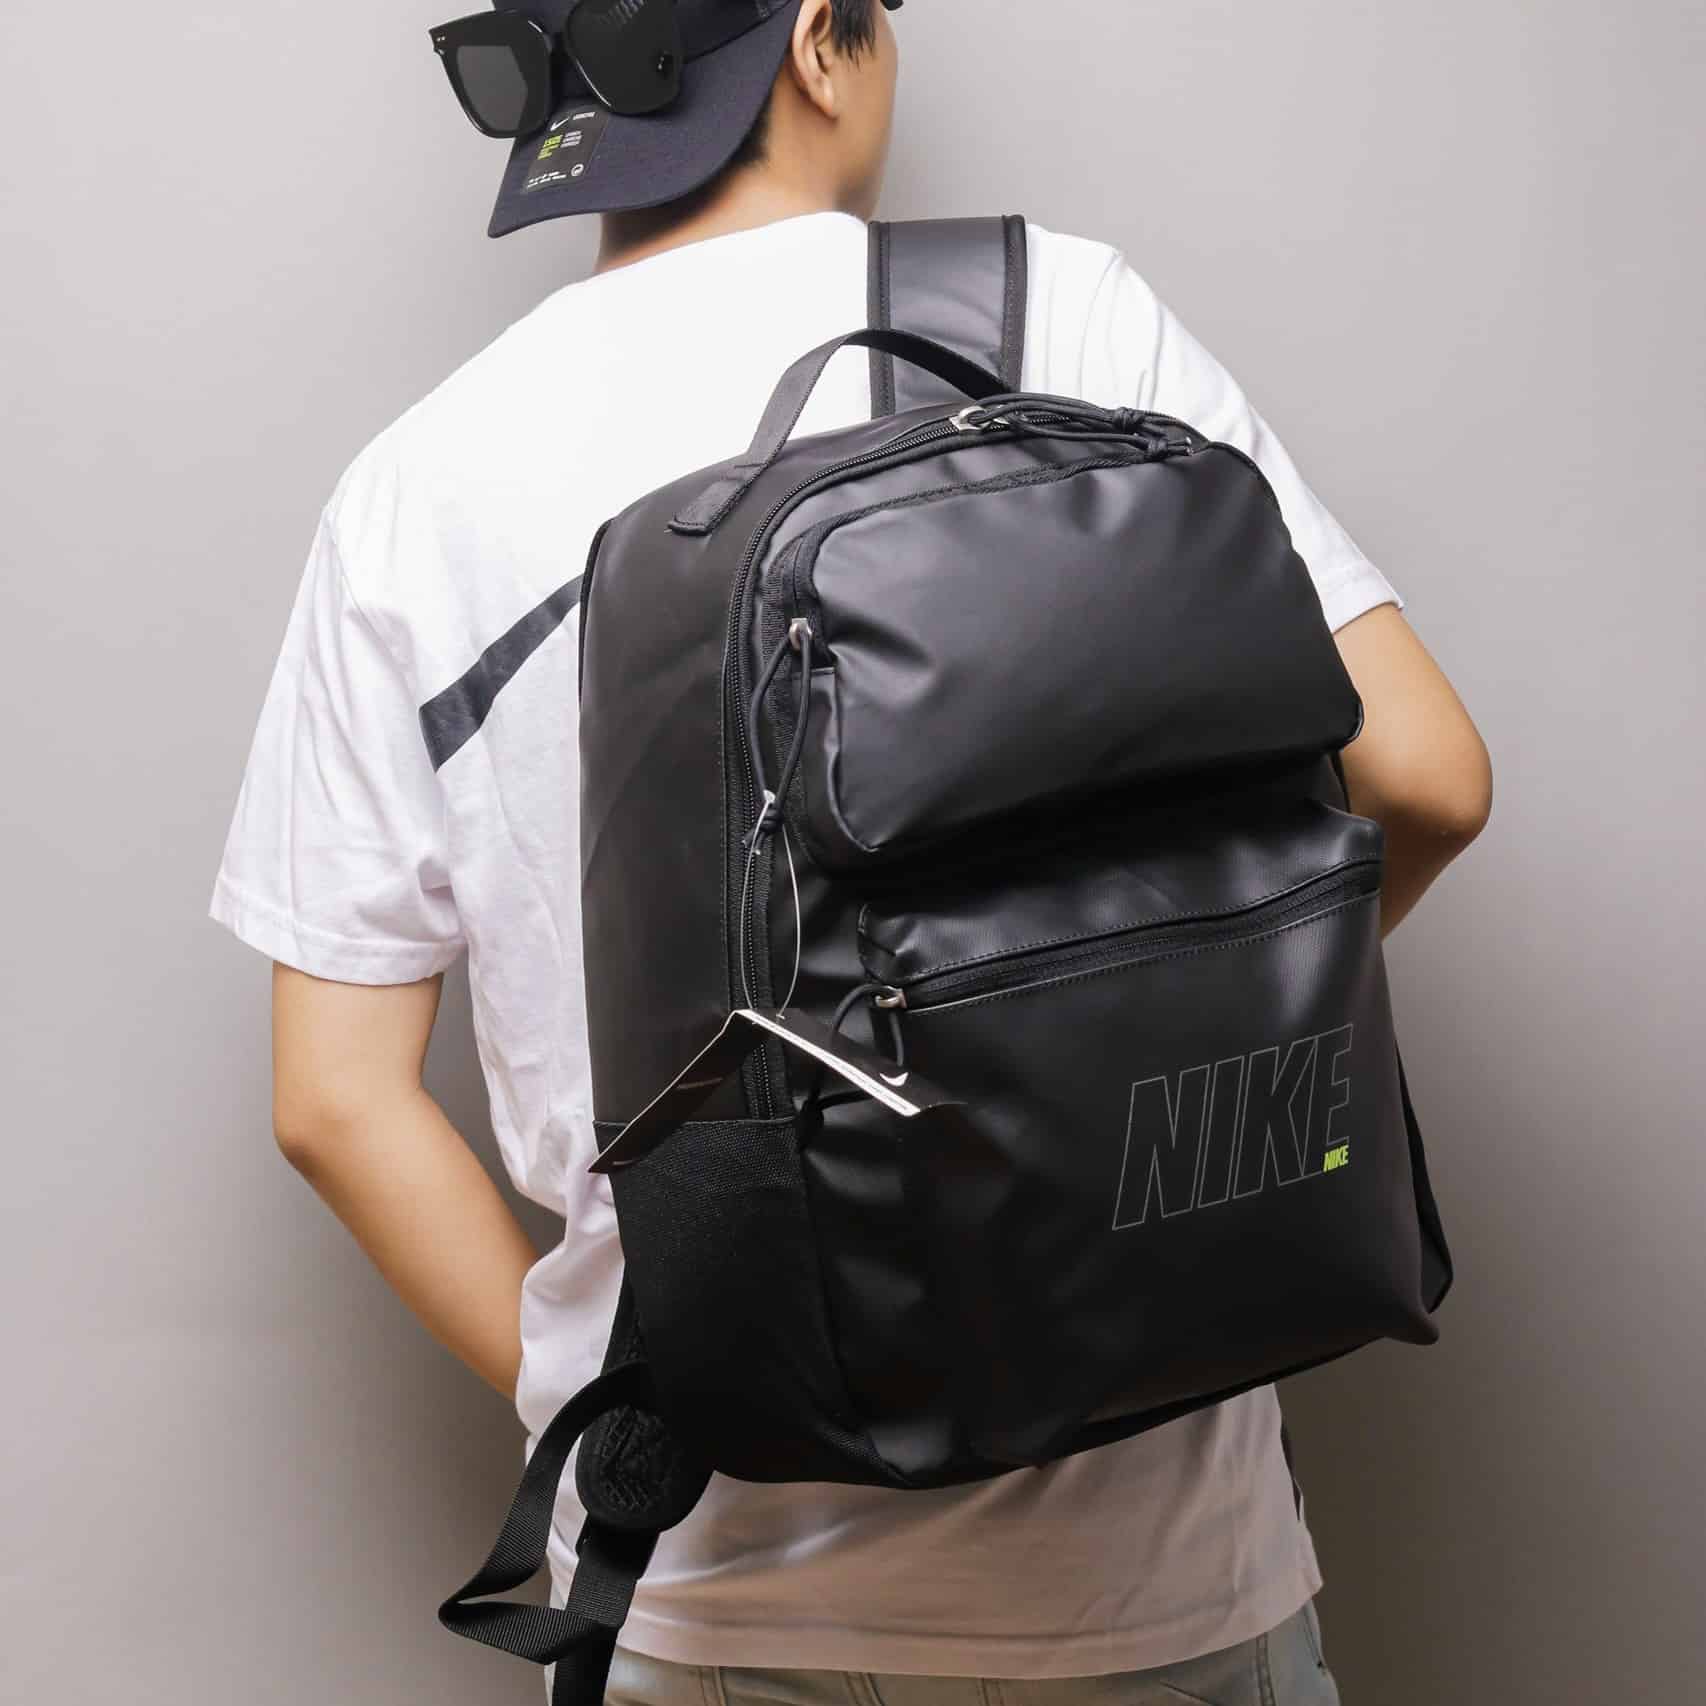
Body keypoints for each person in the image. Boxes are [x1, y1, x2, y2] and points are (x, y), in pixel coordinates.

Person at [210, 2, 1492, 1701]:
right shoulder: (1052, 315)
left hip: (697, 1583)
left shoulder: (410, 490)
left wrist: (600, 1390)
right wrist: (1142, 1029)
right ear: (821, 41)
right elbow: (1424, 778)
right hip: (1145, 1569)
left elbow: (333, 1097)